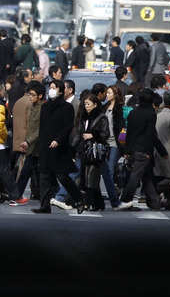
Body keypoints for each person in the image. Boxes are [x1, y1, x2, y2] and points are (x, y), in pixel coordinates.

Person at [33, 79, 85, 214]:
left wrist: (58, 140)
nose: (51, 90)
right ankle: (44, 205)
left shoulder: (67, 108)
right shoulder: (45, 106)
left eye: (54, 88)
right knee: (44, 176)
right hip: (45, 146)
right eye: (50, 87)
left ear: (61, 90)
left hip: (60, 148)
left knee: (62, 176)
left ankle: (79, 199)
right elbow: (42, 127)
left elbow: (68, 127)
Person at [115, 89, 168, 210]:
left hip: (133, 148)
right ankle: (125, 200)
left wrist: (127, 151)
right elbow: (151, 135)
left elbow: (129, 133)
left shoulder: (133, 112)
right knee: (136, 176)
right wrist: (160, 151)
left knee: (147, 176)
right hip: (144, 150)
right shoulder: (150, 114)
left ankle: (154, 202)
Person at [75, 93, 110, 211]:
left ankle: (87, 202)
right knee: (89, 177)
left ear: (95, 104)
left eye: (88, 104)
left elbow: (105, 134)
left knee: (90, 176)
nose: (86, 106)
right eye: (85, 104)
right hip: (84, 150)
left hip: (95, 151)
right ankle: (99, 203)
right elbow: (79, 133)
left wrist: (93, 135)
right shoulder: (83, 117)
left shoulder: (101, 117)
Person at [15, 80, 44, 200]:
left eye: (32, 95)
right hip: (32, 146)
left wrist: (28, 141)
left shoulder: (42, 108)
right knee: (29, 172)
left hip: (38, 146)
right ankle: (17, 195)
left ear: (40, 96)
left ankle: (17, 194)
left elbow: (39, 128)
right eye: (29, 95)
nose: (30, 97)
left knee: (31, 172)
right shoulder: (33, 106)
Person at [101, 85, 126, 209]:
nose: (107, 95)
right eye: (107, 93)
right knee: (106, 169)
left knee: (110, 169)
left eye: (110, 93)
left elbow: (121, 127)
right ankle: (114, 192)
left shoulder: (119, 108)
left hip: (115, 143)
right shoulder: (104, 107)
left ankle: (113, 196)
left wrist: (123, 145)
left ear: (115, 94)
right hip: (105, 142)